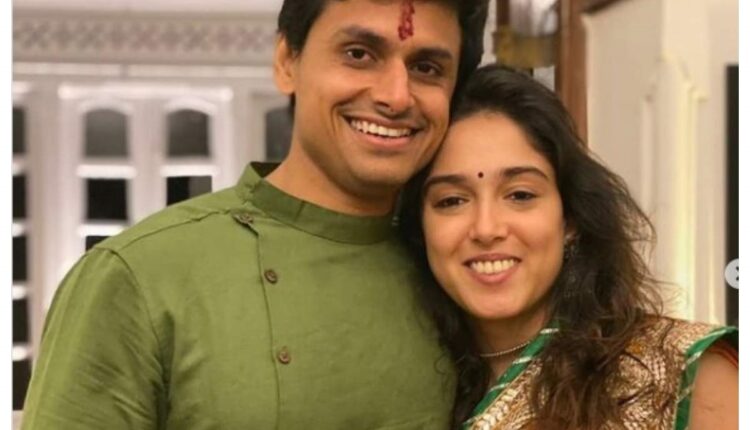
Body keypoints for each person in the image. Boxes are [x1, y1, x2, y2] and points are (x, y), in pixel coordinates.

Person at [21, 1, 488, 428]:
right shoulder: (137, 277)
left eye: (426, 68)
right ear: (287, 61)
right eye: (359, 54)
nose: (396, 96)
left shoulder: (462, 276)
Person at [399, 65, 738, 430]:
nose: (486, 228)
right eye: (451, 200)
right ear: (421, 228)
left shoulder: (682, 375)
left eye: (520, 195)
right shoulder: (402, 380)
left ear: (571, 219)